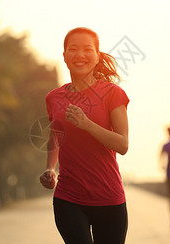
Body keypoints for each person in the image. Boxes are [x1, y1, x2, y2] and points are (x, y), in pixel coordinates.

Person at [39, 27, 129, 244]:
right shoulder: (54, 97)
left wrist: (86, 124)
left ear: (97, 56)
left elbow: (123, 144)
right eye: (73, 49)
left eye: (87, 49)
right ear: (65, 56)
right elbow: (56, 136)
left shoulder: (112, 94)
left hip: (109, 198)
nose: (80, 55)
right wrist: (50, 168)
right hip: (68, 198)